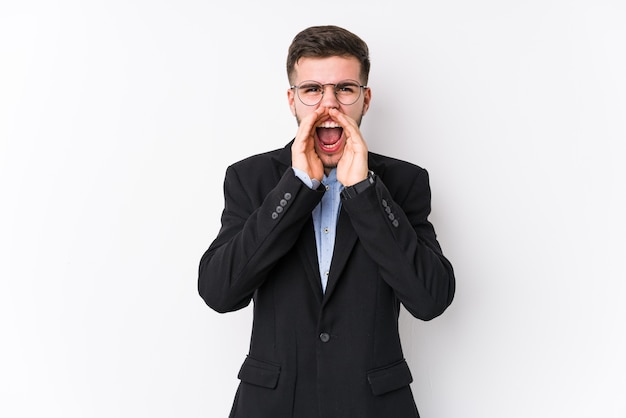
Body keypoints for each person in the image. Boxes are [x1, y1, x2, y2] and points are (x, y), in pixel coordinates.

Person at [198, 25, 455, 418]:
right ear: (292, 100)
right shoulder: (250, 179)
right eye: (312, 89)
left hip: (373, 406)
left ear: (365, 100)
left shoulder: (404, 182)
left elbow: (430, 299)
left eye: (345, 89)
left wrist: (365, 193)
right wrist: (298, 186)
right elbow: (219, 292)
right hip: (273, 405)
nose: (328, 106)